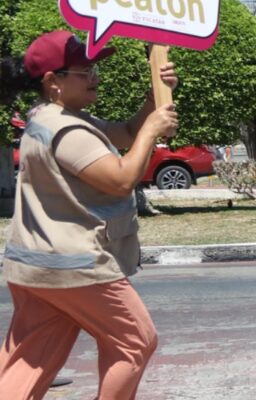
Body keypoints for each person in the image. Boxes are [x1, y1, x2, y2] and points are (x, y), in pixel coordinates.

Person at [0, 31, 177, 399]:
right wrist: (153, 130)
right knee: (135, 342)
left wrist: (153, 98)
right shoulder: (65, 129)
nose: (95, 77)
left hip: (36, 265)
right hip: (76, 266)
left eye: (94, 69)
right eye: (85, 72)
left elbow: (126, 133)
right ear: (53, 81)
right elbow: (121, 179)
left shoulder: (55, 118)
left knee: (30, 357)